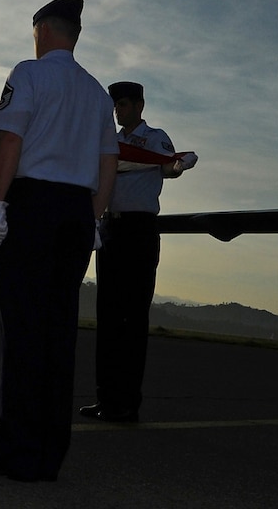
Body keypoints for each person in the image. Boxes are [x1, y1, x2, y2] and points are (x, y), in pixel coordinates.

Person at [0, 0, 118, 482]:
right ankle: (48, 451)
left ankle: (16, 448)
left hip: (33, 205)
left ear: (42, 30)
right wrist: (93, 217)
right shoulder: (97, 93)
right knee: (57, 332)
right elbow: (108, 162)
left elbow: (10, 139)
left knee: (21, 330)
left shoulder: (28, 73)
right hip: (75, 211)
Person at [79, 80, 197, 422]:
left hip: (139, 232)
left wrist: (179, 165)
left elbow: (167, 167)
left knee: (131, 318)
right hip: (110, 228)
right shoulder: (111, 141)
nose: (118, 111)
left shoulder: (154, 137)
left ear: (140, 106)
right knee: (109, 315)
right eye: (116, 106)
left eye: (124, 106)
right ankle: (105, 398)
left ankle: (127, 402)